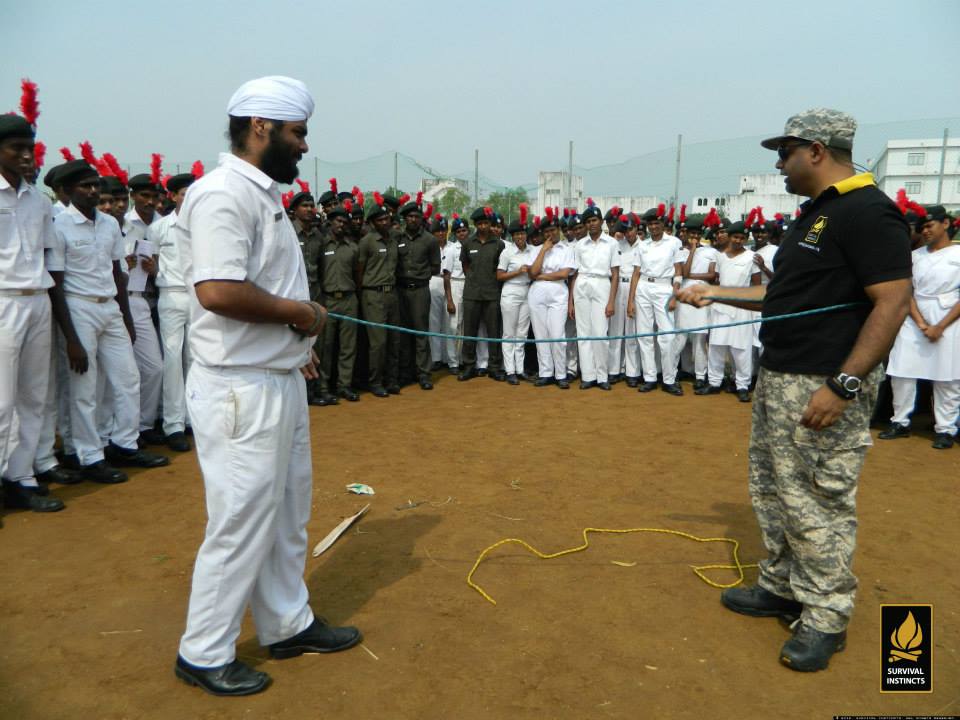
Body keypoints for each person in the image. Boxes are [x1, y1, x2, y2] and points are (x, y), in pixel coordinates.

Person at [678, 108, 912, 672]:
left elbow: (893, 302)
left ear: (816, 150)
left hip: (821, 383)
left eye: (783, 154)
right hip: (780, 374)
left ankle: (826, 614)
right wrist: (714, 296)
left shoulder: (868, 212)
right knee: (774, 488)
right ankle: (781, 585)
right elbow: (783, 295)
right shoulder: (814, 216)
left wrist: (844, 384)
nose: (778, 165)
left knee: (816, 499)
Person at [174, 76, 360, 697]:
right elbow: (219, 292)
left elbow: (261, 282)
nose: (303, 145)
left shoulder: (264, 194)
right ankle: (203, 651)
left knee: (286, 513)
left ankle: (287, 622)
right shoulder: (223, 193)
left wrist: (292, 348)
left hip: (273, 377)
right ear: (261, 127)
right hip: (238, 390)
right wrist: (301, 317)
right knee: (242, 519)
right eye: (297, 132)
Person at [47, 160, 168, 482]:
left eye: (95, 185)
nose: (92, 191)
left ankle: (125, 444)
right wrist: (70, 336)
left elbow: (119, 272)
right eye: (85, 186)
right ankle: (89, 456)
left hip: (111, 307)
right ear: (69, 191)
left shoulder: (109, 225)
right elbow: (56, 282)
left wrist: (126, 318)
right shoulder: (59, 225)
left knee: (127, 379)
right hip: (78, 307)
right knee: (85, 388)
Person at [0, 115, 65, 513]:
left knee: (33, 395)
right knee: (1, 400)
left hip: (38, 297)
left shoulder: (41, 202)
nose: (27, 156)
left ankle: (21, 477)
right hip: (3, 300)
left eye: (30, 148)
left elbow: (47, 254)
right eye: (16, 149)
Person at [881, 205, 960, 449]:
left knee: (947, 377)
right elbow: (907, 292)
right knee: (902, 371)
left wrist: (940, 326)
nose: (925, 231)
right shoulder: (915, 256)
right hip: (915, 317)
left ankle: (945, 429)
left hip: (950, 317)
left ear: (945, 224)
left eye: (929, 225)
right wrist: (923, 323)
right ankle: (900, 421)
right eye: (921, 227)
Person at [150, 169, 200, 452]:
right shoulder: (158, 228)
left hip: (196, 297)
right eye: (183, 193)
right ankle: (172, 424)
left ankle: (192, 418)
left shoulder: (200, 225)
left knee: (194, 359)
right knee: (171, 360)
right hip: (170, 295)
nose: (188, 197)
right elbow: (151, 263)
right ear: (173, 196)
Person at [697, 222, 759, 402]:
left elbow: (756, 284)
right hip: (721, 306)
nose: (738, 240)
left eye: (742, 238)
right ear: (730, 237)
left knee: (741, 349)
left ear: (746, 239)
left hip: (741, 306)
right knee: (716, 346)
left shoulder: (751, 257)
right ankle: (715, 382)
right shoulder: (720, 256)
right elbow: (716, 280)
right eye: (735, 237)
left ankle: (742, 385)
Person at [627, 207, 685, 395]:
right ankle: (650, 377)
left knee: (667, 337)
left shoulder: (674, 243)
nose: (653, 227)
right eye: (650, 224)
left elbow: (678, 271)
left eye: (656, 223)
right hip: (643, 287)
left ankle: (669, 379)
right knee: (644, 335)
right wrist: (630, 300)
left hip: (664, 288)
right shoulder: (642, 244)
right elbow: (636, 273)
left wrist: (675, 296)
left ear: (663, 224)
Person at [570, 206, 620, 390]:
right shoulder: (580, 245)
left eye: (594, 220)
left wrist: (611, 301)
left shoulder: (611, 243)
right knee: (583, 333)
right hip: (582, 283)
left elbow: (615, 274)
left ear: (601, 222)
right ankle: (588, 375)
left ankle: (602, 375)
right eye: (588, 221)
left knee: (600, 332)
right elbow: (574, 273)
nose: (591, 224)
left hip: (601, 283)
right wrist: (571, 301)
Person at [356, 195, 400, 397]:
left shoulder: (393, 240)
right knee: (378, 342)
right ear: (373, 222)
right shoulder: (367, 242)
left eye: (387, 219)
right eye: (380, 220)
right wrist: (363, 292)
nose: (385, 222)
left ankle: (391, 380)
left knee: (394, 339)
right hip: (373, 295)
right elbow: (360, 270)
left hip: (392, 294)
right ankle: (375, 382)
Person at [316, 205, 360, 404]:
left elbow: (357, 275)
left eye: (344, 222)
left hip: (349, 299)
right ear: (330, 222)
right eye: (338, 221)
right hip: (328, 300)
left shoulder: (352, 248)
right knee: (326, 346)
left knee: (348, 347)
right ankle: (324, 387)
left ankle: (345, 386)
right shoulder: (322, 245)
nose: (341, 225)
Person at [527, 211, 576, 388]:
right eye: (546, 231)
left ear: (558, 230)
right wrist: (543, 251)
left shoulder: (567, 249)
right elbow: (532, 273)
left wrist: (543, 276)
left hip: (558, 293)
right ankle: (545, 372)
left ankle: (561, 373)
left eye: (553, 230)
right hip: (537, 294)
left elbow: (564, 273)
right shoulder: (536, 250)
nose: (550, 234)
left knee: (557, 334)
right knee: (541, 335)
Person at [396, 199, 441, 390]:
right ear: (405, 218)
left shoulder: (430, 240)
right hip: (400, 290)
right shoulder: (397, 238)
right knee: (404, 333)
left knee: (421, 331)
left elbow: (435, 266)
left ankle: (424, 373)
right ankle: (407, 373)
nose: (413, 219)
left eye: (416, 216)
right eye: (410, 216)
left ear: (422, 218)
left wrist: (419, 277)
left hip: (420, 290)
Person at [458, 207, 505, 382]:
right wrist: (473, 278)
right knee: (470, 331)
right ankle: (469, 366)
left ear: (490, 224)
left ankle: (494, 367)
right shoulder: (468, 243)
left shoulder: (499, 244)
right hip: (471, 294)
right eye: (480, 223)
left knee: (494, 332)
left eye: (486, 223)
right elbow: (465, 265)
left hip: (492, 293)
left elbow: (500, 268)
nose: (483, 226)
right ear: (476, 224)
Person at [674, 224, 718, 390]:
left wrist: (691, 275)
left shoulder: (710, 251)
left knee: (700, 338)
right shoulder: (680, 251)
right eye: (692, 233)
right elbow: (683, 273)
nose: (694, 237)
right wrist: (692, 251)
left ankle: (700, 375)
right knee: (681, 336)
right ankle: (677, 371)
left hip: (702, 292)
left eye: (697, 234)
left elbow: (712, 275)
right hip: (685, 293)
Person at [497, 207, 537, 385]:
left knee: (522, 333)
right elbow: (499, 275)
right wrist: (518, 272)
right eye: (516, 235)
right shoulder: (507, 252)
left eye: (522, 233)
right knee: (509, 332)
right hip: (511, 290)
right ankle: (509, 370)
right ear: (512, 237)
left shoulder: (532, 250)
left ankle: (520, 369)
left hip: (527, 290)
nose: (520, 237)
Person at [607, 213, 642, 387]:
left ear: (637, 229)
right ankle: (614, 370)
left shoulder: (643, 246)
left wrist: (632, 299)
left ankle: (632, 372)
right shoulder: (616, 245)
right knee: (615, 331)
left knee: (631, 333)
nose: (629, 233)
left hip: (634, 287)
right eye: (626, 230)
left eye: (632, 229)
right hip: (617, 285)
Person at [427, 214, 455, 369]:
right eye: (438, 231)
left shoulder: (454, 247)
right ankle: (436, 358)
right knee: (434, 322)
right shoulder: (430, 246)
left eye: (443, 230)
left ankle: (450, 358)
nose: (441, 233)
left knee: (450, 323)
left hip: (451, 282)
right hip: (434, 281)